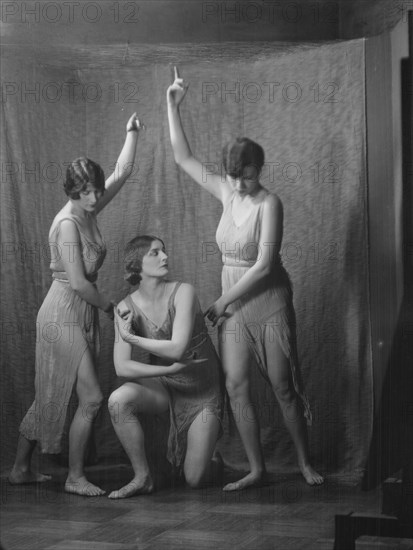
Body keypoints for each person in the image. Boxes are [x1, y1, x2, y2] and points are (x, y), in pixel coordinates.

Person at [167, 67, 324, 490]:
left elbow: (265, 267)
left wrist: (220, 303)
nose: (238, 182)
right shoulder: (226, 191)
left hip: (265, 299)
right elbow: (183, 158)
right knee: (236, 386)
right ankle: (257, 469)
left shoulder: (269, 203)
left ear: (259, 168)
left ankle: (305, 462)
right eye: (233, 175)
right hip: (231, 303)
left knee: (281, 386)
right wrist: (172, 104)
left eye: (247, 174)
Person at [8, 113, 144, 496]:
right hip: (62, 312)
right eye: (86, 191)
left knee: (51, 390)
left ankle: (20, 469)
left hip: (79, 310)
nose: (95, 196)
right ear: (72, 190)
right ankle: (75, 476)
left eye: (97, 189)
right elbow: (81, 284)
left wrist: (130, 132)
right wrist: (112, 306)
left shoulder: (90, 209)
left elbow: (124, 169)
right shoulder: (68, 223)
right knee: (91, 396)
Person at [108, 235, 223, 499]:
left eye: (164, 251)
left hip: (202, 388)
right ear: (137, 265)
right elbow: (121, 367)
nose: (165, 257)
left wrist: (132, 338)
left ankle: (214, 461)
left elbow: (177, 348)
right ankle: (142, 476)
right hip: (166, 385)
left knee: (195, 479)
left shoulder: (184, 292)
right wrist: (168, 372)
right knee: (118, 401)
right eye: (155, 253)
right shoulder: (126, 307)